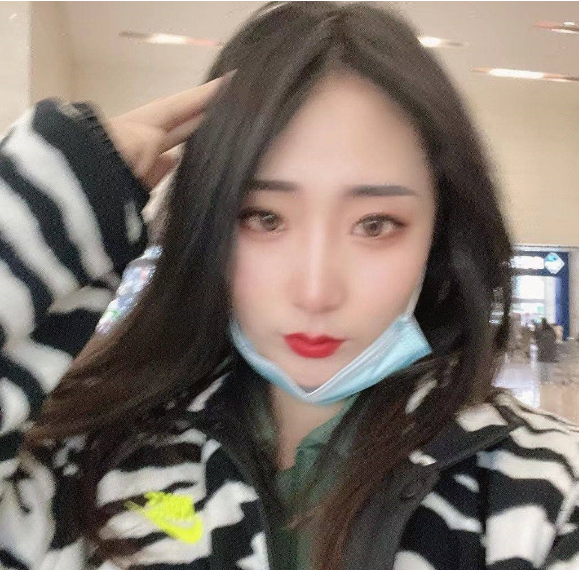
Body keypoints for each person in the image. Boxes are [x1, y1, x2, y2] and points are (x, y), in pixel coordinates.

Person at [0, 3, 577, 570]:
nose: (316, 292)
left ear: (439, 235)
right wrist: (49, 195)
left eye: (376, 225)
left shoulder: (543, 493)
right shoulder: (81, 468)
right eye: (264, 218)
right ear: (208, 223)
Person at [535, 318, 559, 384]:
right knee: (549, 366)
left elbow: (536, 340)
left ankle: (542, 380)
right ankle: (549, 380)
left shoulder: (540, 331)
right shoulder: (552, 331)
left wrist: (539, 346)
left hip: (542, 352)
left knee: (542, 367)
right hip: (550, 352)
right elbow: (554, 339)